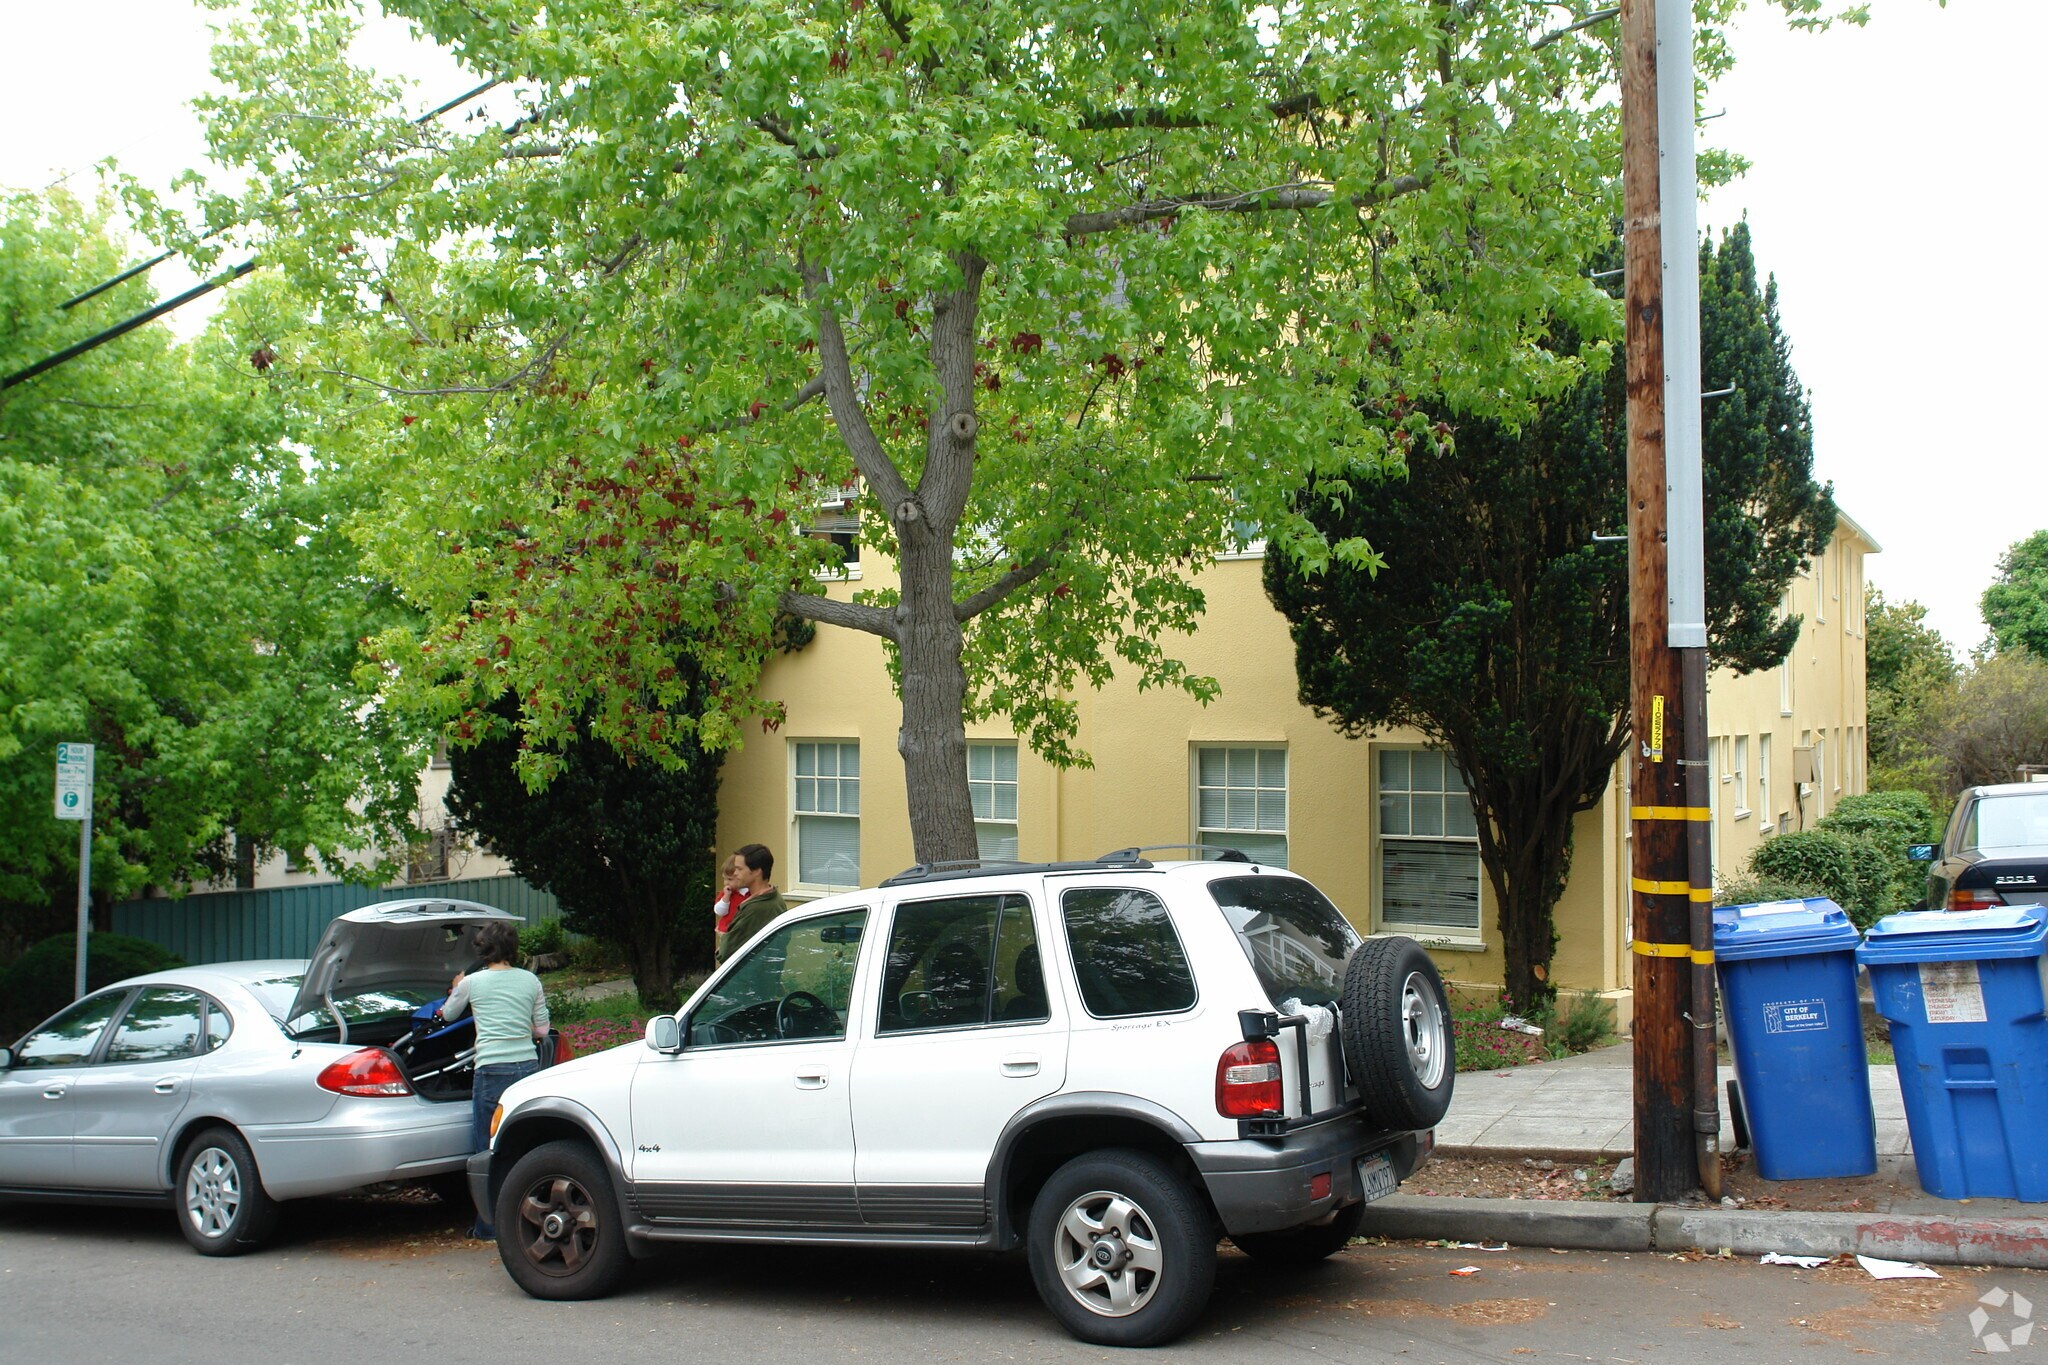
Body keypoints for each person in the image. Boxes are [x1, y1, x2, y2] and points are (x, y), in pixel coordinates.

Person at [440, 919, 549, 1237]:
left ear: (483, 950)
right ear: (512, 949)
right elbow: (542, 1031)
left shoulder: (472, 983)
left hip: (491, 1070)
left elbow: (447, 1015)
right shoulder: (530, 981)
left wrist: (457, 985)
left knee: (486, 1147)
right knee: (526, 1144)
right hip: (527, 1068)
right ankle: (527, 1220)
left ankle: (488, 1227)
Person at [715, 844, 788, 965]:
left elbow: (725, 954)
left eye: (739, 869)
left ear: (757, 872)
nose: (735, 873)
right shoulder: (775, 897)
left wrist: (723, 939)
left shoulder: (756, 908)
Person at [711, 853, 752, 964]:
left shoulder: (750, 893)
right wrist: (726, 898)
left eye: (730, 879)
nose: (726, 883)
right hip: (726, 931)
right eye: (724, 879)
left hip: (741, 931)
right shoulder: (727, 894)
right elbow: (719, 911)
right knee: (728, 956)